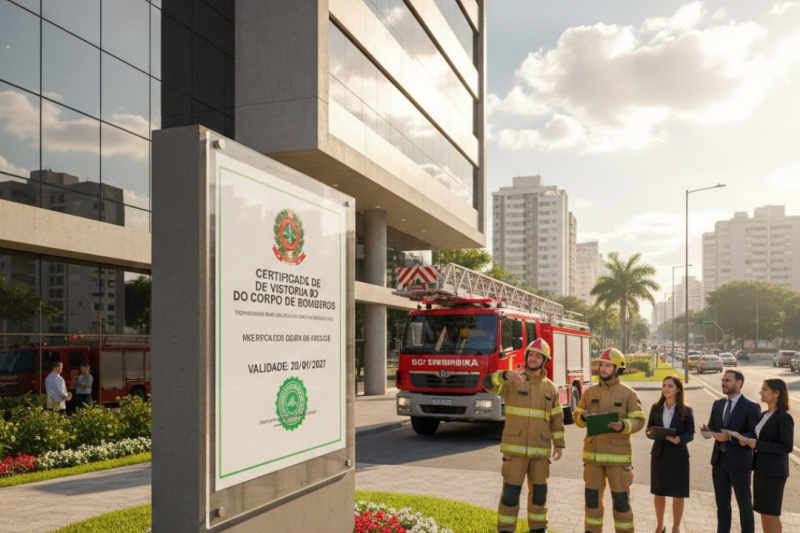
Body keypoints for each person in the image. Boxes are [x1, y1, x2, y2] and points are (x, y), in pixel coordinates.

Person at [483, 338, 565, 533]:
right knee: (510, 494)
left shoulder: (550, 388)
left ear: (544, 361)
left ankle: (538, 528)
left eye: (538, 356)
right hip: (515, 451)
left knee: (539, 494)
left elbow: (556, 417)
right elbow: (487, 383)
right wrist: (504, 374)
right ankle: (505, 528)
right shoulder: (512, 380)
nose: (534, 359)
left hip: (540, 452)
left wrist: (559, 443)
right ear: (526, 357)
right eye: (531, 355)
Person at [574, 348, 645, 533]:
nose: (603, 369)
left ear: (618, 368)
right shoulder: (589, 392)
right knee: (592, 502)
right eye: (601, 365)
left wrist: (623, 425)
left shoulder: (629, 394)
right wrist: (583, 416)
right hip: (593, 458)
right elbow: (577, 413)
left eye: (608, 365)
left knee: (621, 502)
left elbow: (639, 420)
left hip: (618, 459)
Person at [701, 369, 761, 533]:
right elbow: (713, 425)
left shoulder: (751, 406)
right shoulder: (718, 404)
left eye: (727, 380)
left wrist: (730, 438)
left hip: (740, 463)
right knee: (722, 504)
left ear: (739, 383)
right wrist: (708, 431)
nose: (723, 383)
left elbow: (754, 435)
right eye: (723, 380)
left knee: (744, 504)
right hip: (719, 461)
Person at [738, 379, 794, 533]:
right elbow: (761, 440)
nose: (760, 392)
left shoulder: (783, 417)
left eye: (765, 389)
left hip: (774, 472)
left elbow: (786, 446)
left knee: (771, 514)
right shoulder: (764, 415)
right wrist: (749, 442)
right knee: (764, 512)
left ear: (776, 393)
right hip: (762, 469)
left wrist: (757, 444)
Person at [647, 375, 695, 533]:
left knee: (678, 494)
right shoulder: (656, 408)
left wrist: (680, 439)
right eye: (664, 385)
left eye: (670, 386)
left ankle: (676, 528)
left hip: (678, 456)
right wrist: (652, 433)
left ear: (678, 389)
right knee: (659, 492)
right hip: (659, 455)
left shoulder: (686, 410)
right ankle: (660, 526)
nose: (666, 388)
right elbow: (648, 430)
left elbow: (690, 434)